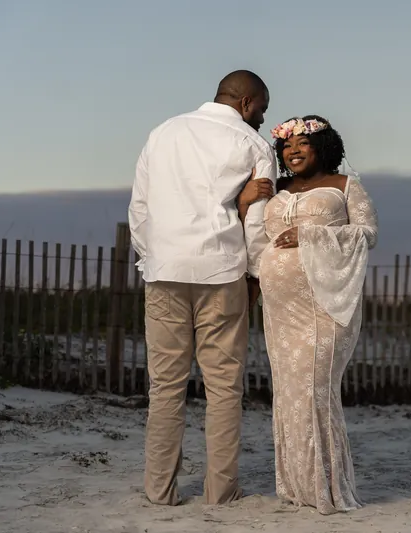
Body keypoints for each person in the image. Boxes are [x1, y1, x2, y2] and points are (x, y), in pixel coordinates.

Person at [127, 69, 277, 506]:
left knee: (165, 387)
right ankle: (221, 490)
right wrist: (253, 276)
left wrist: (152, 255)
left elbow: (140, 208)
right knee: (225, 388)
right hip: (221, 273)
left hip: (164, 271)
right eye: (262, 111)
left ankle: (159, 491)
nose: (263, 121)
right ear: (247, 103)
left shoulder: (162, 133)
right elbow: (255, 221)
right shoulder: (254, 145)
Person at [260, 115, 378, 514]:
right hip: (280, 305)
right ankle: (298, 485)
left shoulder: (346, 186)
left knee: (316, 388)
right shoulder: (279, 189)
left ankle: (326, 486)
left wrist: (311, 234)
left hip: (326, 302)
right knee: (290, 392)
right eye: (287, 145)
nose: (292, 150)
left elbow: (368, 233)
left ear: (323, 146)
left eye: (302, 143)